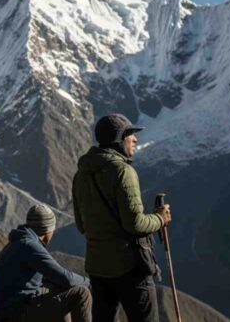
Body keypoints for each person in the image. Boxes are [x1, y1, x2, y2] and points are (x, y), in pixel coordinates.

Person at [72, 114, 172, 322]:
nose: (134, 139)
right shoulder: (123, 171)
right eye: (129, 134)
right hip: (130, 267)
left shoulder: (81, 174)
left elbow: (82, 225)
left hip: (97, 267)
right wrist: (160, 218)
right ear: (119, 139)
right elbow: (135, 224)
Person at [0, 204, 92, 322]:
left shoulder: (19, 241)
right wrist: (90, 283)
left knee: (59, 287)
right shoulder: (30, 246)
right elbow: (66, 277)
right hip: (16, 315)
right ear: (47, 230)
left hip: (8, 311)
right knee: (81, 292)